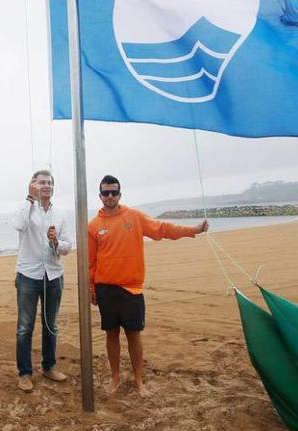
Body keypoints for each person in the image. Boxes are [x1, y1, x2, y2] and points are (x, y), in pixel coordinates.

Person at [87, 175, 208, 396]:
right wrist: (92, 289)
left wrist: (193, 230)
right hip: (106, 289)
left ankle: (138, 380)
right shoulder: (94, 225)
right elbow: (90, 262)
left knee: (134, 335)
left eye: (114, 192)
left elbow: (162, 229)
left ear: (120, 194)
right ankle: (115, 378)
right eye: (106, 192)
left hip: (131, 288)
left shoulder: (133, 216)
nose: (110, 196)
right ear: (100, 196)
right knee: (111, 335)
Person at [11, 169, 72, 392]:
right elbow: (19, 225)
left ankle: (49, 366)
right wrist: (29, 197)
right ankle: (25, 373)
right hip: (28, 274)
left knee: (50, 324)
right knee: (25, 327)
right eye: (40, 182)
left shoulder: (61, 213)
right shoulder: (25, 208)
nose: (45, 185)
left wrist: (56, 242)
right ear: (32, 185)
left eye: (49, 182)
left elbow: (67, 246)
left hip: (53, 275)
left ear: (53, 187)